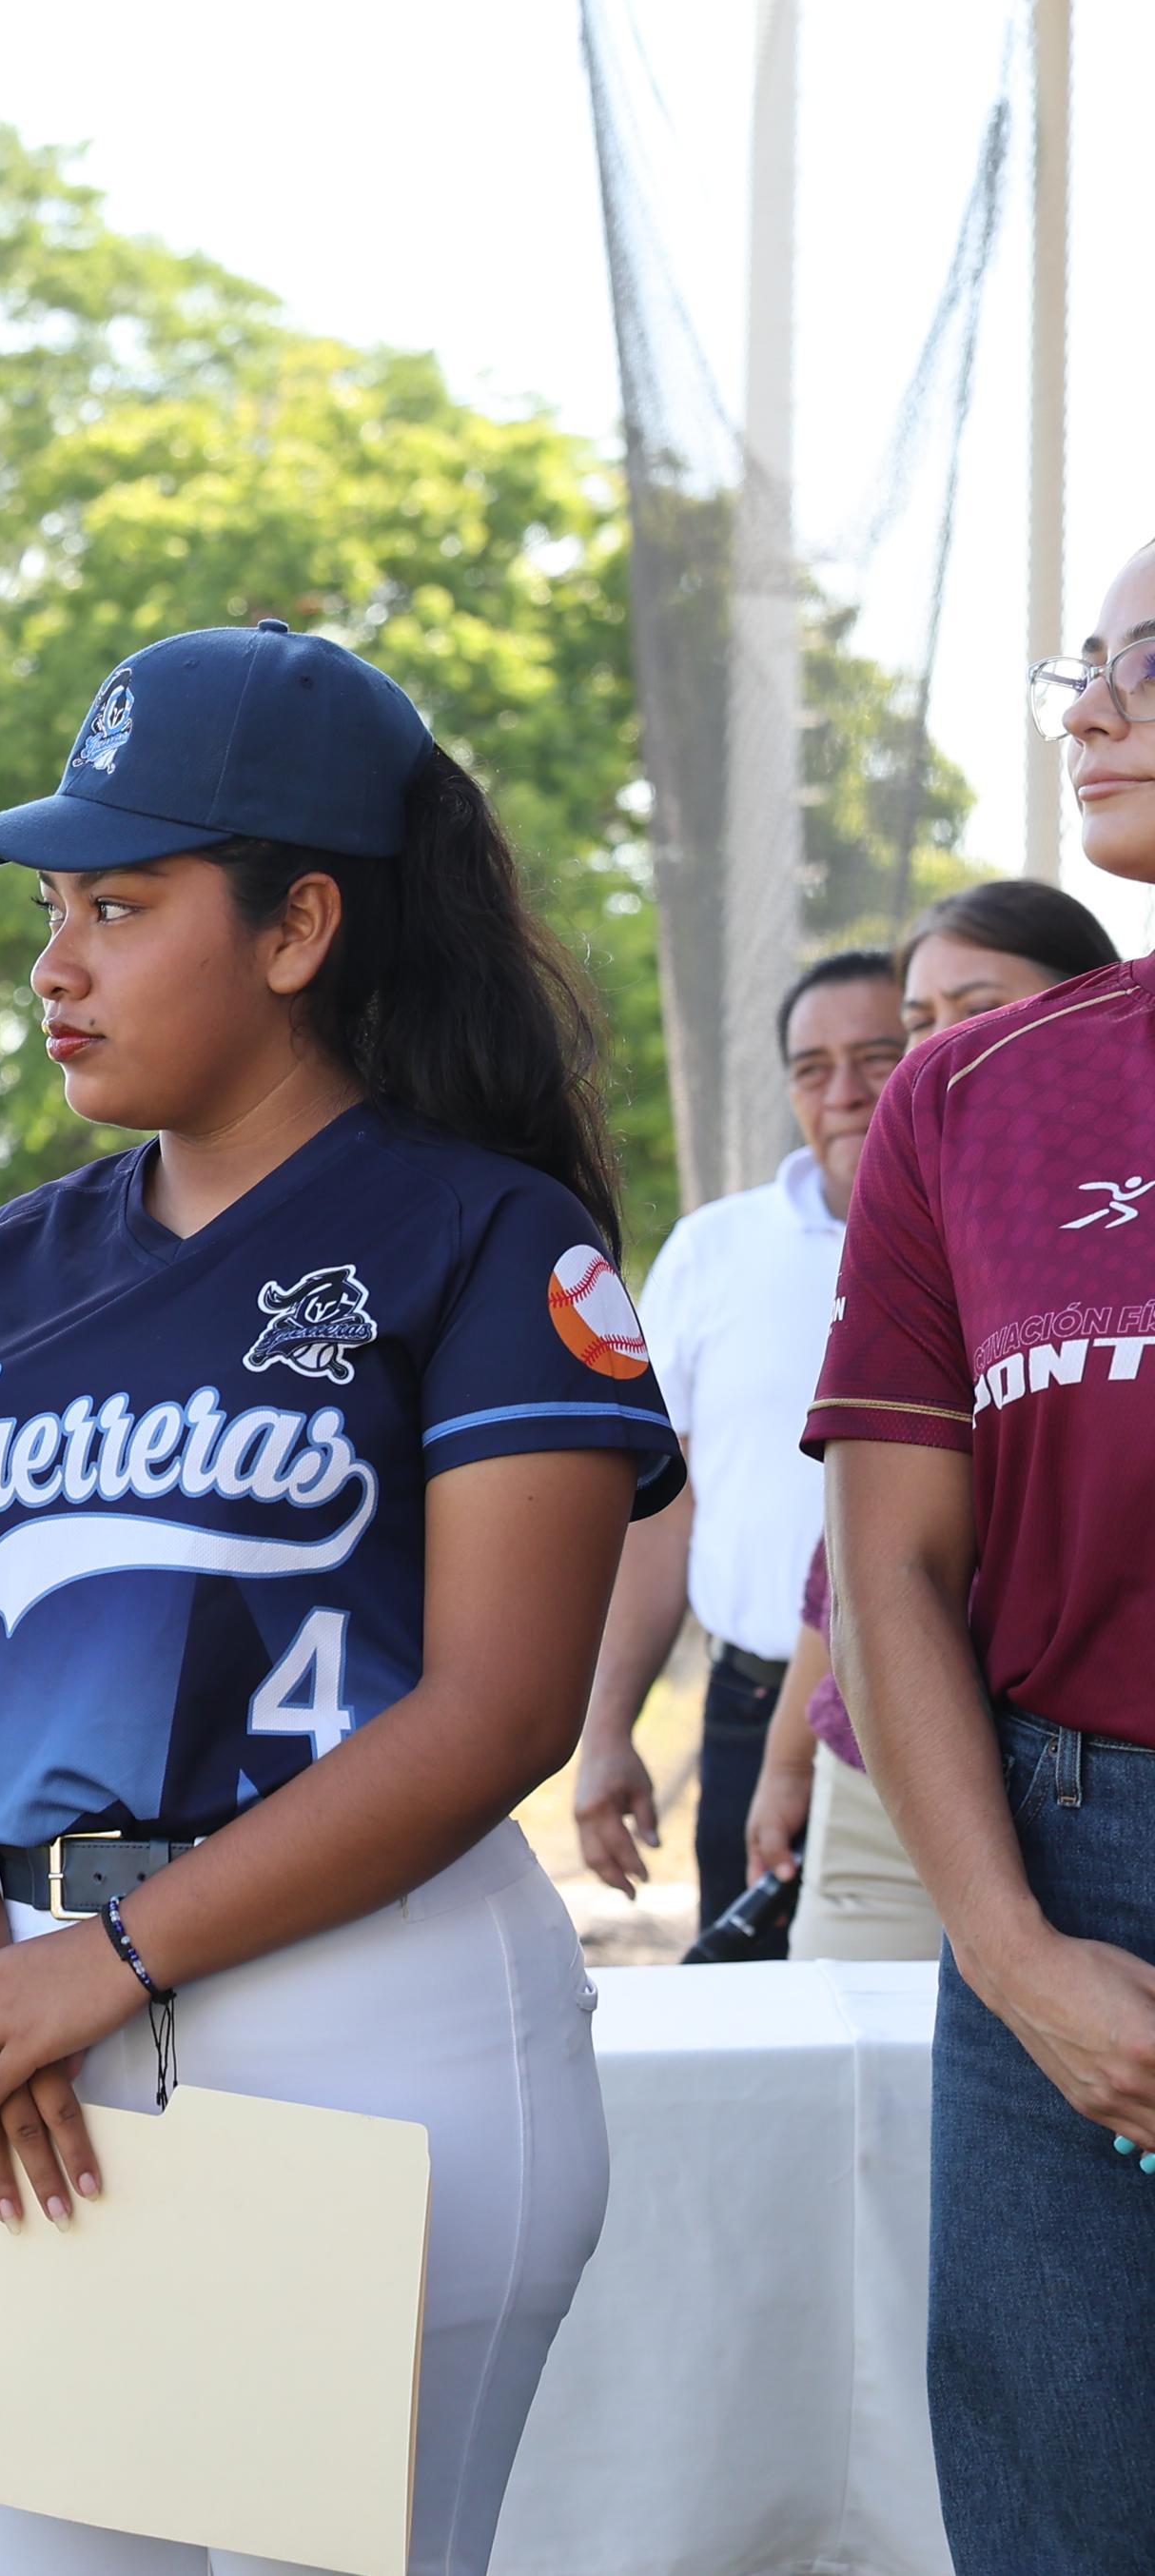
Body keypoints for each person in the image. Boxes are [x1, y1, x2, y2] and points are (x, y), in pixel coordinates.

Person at [0, 622, 682, 2575]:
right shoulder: (8, 1267)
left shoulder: (489, 1234)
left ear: (300, 925)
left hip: (364, 2018)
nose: (54, 965)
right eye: (52, 909)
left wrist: (111, 1963)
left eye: (120, 905)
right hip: (40, 2029)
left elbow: (498, 1706)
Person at [809, 544, 1155, 2570]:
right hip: (1062, 1870)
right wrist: (1013, 1954)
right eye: (1081, 668)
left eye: (1148, 664)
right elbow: (892, 1567)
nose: (1091, 711)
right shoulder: (964, 1096)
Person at [745, 878, 1119, 1958]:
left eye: (978, 1008)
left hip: (1096, 1779)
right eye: (918, 1019)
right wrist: (788, 1756)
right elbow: (862, 1553)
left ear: (1100, 1004)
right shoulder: (922, 1211)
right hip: (884, 1776)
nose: (941, 1046)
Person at [570, 951, 902, 1943]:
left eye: (878, 1056)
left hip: (942, 1721)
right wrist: (606, 1730)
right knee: (751, 2009)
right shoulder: (712, 1251)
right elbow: (663, 1512)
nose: (842, 1093)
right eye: (811, 1068)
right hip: (749, 1707)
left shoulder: (990, 1243)